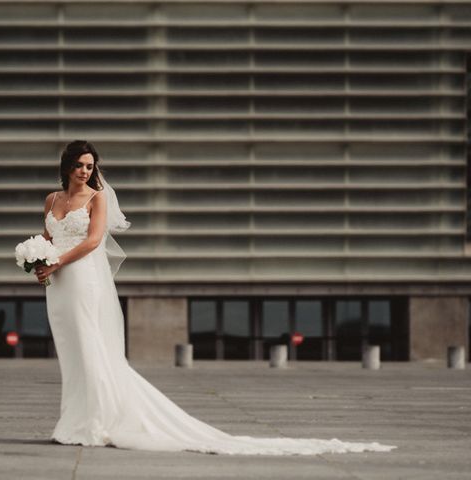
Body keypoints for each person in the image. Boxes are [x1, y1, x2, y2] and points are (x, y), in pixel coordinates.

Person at [34, 139, 396, 455]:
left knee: (92, 350)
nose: (84, 171)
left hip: (83, 279)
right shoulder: (52, 199)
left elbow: (94, 241)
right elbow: (47, 238)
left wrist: (57, 262)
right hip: (59, 286)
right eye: (79, 165)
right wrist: (39, 261)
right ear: (66, 166)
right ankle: (72, 422)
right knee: (72, 353)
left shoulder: (97, 199)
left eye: (89, 166)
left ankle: (94, 423)